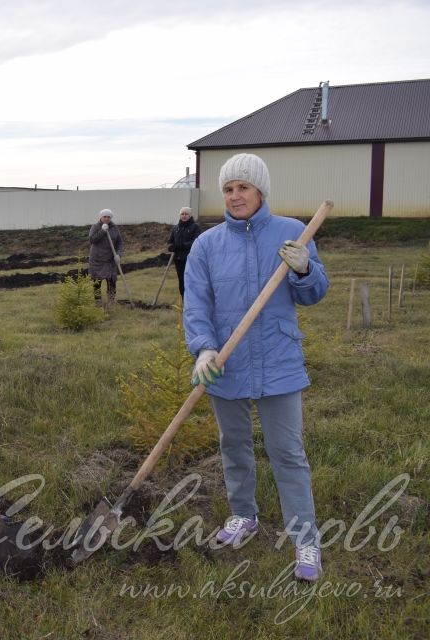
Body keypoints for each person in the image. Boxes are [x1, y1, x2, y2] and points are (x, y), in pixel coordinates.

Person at [183, 153, 329, 582]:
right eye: (228, 189)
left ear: (260, 191)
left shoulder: (292, 233)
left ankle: (305, 538)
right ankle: (243, 515)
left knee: (287, 452)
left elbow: (313, 293)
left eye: (242, 187)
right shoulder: (206, 245)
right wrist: (204, 349)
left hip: (278, 360)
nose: (234, 196)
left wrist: (304, 269)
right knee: (234, 445)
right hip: (225, 362)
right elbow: (197, 304)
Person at [88, 208, 123, 306]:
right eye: (105, 217)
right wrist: (102, 231)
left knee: (112, 281)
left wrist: (118, 255)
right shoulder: (95, 227)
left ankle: (111, 301)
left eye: (109, 217)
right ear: (101, 217)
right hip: (97, 259)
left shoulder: (114, 228)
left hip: (110, 260)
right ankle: (98, 302)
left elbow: (120, 242)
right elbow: (92, 240)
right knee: (97, 282)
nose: (107, 219)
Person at [167, 206, 202, 298]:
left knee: (190, 279)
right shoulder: (176, 228)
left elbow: (196, 241)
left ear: (190, 216)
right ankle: (183, 298)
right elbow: (170, 241)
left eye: (186, 214)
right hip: (178, 259)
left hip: (190, 258)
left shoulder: (195, 227)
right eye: (182, 214)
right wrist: (171, 247)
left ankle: (192, 298)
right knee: (181, 279)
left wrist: (182, 246)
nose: (184, 216)